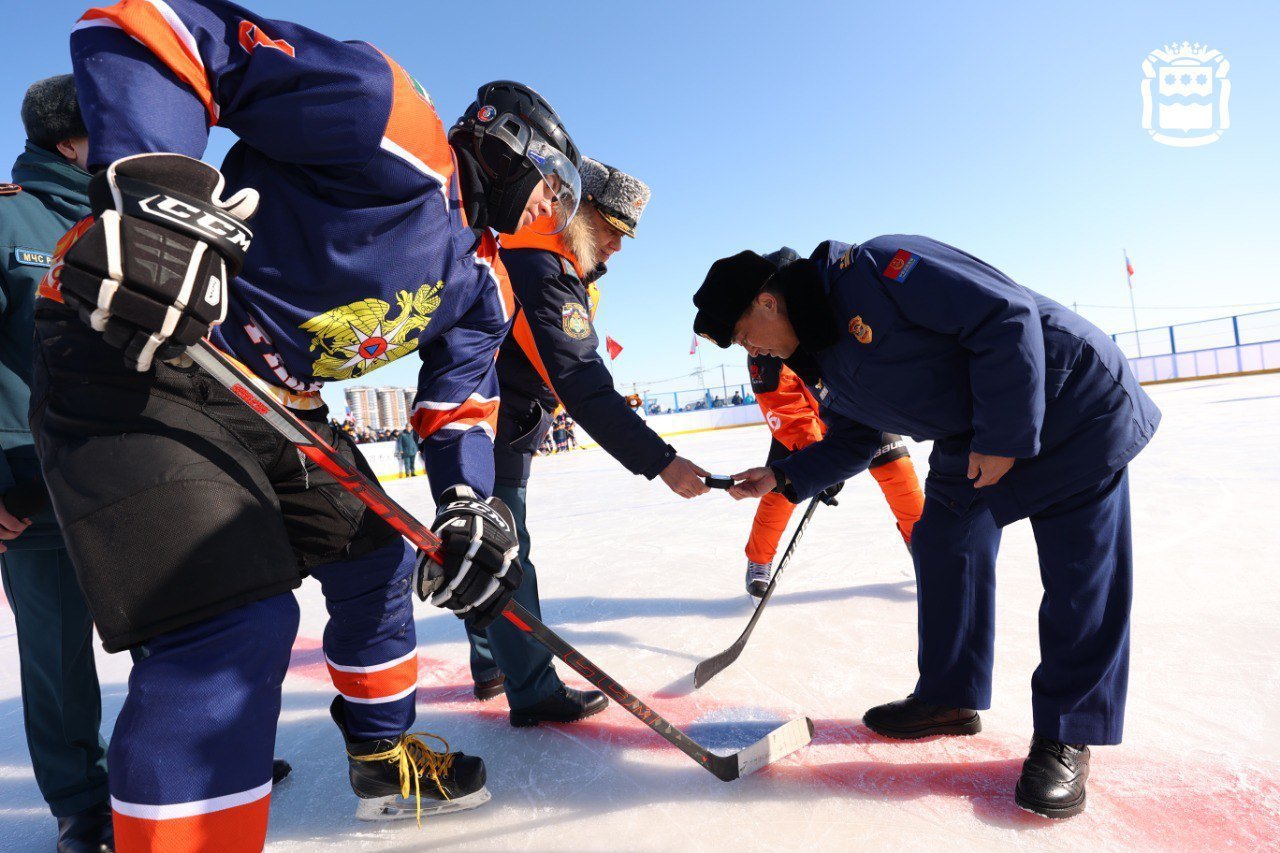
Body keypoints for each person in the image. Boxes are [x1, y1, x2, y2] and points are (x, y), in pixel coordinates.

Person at [33, 1, 582, 845]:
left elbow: (459, 406)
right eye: (554, 187)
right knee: (231, 621)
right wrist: (157, 198)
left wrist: (472, 505)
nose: (552, 210)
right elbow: (162, 23)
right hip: (155, 349)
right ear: (512, 150)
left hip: (279, 402)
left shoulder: (483, 284)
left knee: (375, 555)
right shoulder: (392, 119)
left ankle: (383, 753)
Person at [692, 236, 1160, 819]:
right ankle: (948, 698)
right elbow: (855, 438)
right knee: (944, 542)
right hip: (976, 429)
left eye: (742, 336)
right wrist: (782, 477)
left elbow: (1003, 313)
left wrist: (1002, 438)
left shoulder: (878, 270)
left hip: (1070, 401)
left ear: (766, 302)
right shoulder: (818, 352)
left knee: (1080, 575)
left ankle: (1067, 733)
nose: (750, 350)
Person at [464, 157, 710, 720]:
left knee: (483, 543)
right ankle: (531, 690)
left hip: (493, 423)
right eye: (612, 230)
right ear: (577, 207)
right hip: (492, 426)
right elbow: (581, 383)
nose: (619, 247)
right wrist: (662, 461)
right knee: (506, 554)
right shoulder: (542, 265)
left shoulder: (533, 253)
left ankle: (492, 663)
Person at [0, 74, 115, 853]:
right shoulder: (8, 215)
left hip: (130, 468)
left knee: (178, 627)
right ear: (70, 137)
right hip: (27, 480)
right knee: (58, 658)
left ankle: (170, 759)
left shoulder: (128, 222)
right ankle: (83, 803)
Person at [744, 352, 924, 597]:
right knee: (779, 486)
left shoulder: (837, 319)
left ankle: (923, 547)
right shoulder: (763, 349)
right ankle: (759, 559)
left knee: (898, 471)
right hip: (806, 431)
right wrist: (820, 467)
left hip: (861, 415)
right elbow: (787, 411)